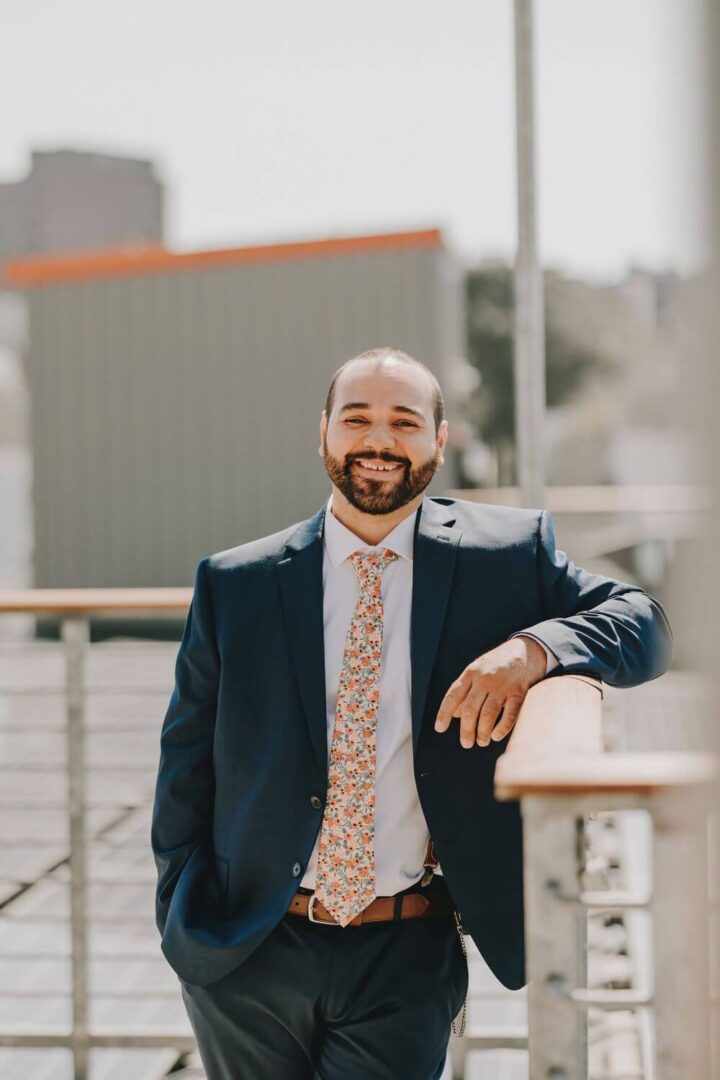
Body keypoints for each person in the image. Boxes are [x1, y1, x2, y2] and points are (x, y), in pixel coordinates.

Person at [151, 347, 673, 1079]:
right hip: (248, 950)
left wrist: (534, 650)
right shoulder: (236, 582)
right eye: (358, 418)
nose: (380, 441)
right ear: (324, 431)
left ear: (440, 439)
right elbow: (186, 758)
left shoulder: (507, 557)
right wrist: (185, 913)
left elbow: (645, 623)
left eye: (404, 421)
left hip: (404, 952)